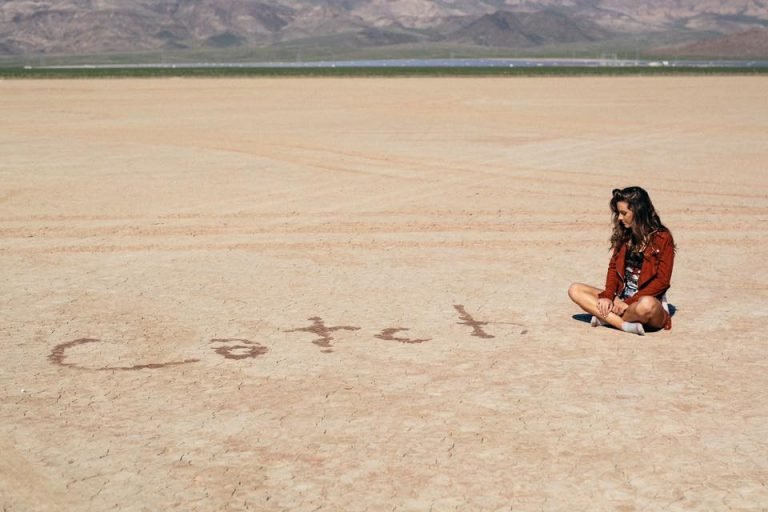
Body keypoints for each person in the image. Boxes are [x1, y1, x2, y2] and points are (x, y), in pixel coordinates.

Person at [568, 186, 675, 336]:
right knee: (575, 289)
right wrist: (608, 296)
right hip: (620, 300)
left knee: (646, 305)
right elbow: (613, 268)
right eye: (618, 213)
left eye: (624, 213)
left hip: (644, 305)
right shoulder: (625, 234)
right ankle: (623, 325)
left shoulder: (663, 238)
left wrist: (628, 303)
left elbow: (662, 281)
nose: (619, 217)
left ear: (638, 212)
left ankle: (605, 319)